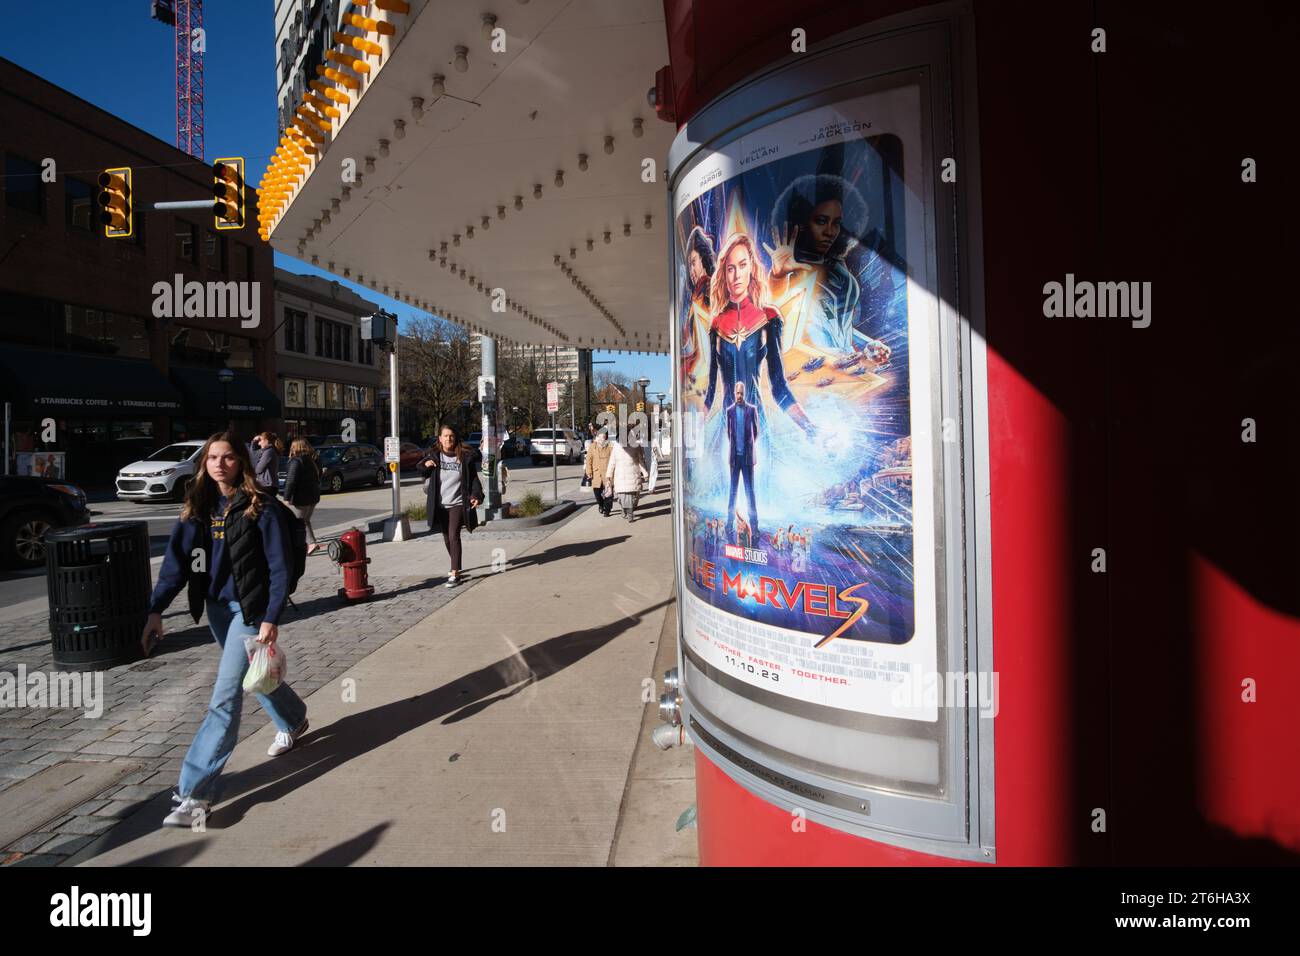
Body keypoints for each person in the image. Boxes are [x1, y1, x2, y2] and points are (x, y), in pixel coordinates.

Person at [140, 432, 308, 829]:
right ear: (204, 464)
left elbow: (280, 566)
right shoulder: (196, 507)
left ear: (242, 462)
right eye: (212, 457)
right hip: (217, 609)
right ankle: (294, 718)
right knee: (255, 677)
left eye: (228, 457)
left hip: (249, 610)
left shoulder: (260, 508)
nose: (219, 464)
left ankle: (195, 796)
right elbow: (176, 565)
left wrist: (271, 617)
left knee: (225, 698)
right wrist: (155, 610)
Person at [765, 172, 891, 363]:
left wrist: (867, 344)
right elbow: (775, 313)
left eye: (836, 223)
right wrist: (778, 277)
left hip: (844, 371)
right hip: (814, 372)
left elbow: (838, 323)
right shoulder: (790, 271)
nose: (830, 232)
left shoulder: (836, 267)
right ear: (802, 223)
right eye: (821, 221)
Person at [703, 233, 816, 438]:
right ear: (724, 274)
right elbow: (709, 391)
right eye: (731, 268)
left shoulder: (768, 317)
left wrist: (810, 429)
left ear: (751, 269)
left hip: (757, 430)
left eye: (743, 265)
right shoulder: (717, 325)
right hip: (724, 434)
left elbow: (779, 387)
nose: (737, 274)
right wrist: (692, 432)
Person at [420, 425, 483, 587]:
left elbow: (473, 479)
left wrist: (476, 495)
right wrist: (426, 465)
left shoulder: (464, 457)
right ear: (439, 439)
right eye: (445, 436)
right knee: (447, 537)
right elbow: (420, 469)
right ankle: (457, 566)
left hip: (458, 503)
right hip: (440, 504)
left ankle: (454, 572)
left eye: (451, 436)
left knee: (454, 535)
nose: (448, 439)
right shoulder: (434, 456)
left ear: (456, 439)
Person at [724, 380, 760, 539]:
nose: (739, 395)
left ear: (744, 394)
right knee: (732, 492)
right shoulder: (729, 411)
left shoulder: (752, 410)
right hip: (734, 459)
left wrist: (748, 448)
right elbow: (728, 433)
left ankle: (755, 527)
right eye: (737, 393)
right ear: (734, 393)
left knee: (749, 493)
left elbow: (756, 432)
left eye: (741, 393)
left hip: (747, 459)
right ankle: (728, 524)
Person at [283, 437, 323, 555]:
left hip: (301, 498)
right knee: (305, 521)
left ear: (295, 447)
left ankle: (308, 544)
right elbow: (319, 475)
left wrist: (286, 498)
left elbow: (291, 480)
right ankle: (311, 543)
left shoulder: (296, 461)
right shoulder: (314, 459)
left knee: (297, 522)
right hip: (313, 496)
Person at [605, 436, 649, 522]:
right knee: (622, 498)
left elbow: (640, 460)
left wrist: (645, 473)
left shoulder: (635, 446)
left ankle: (629, 513)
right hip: (622, 476)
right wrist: (608, 475)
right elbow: (612, 462)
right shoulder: (616, 447)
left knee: (630, 498)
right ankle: (626, 510)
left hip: (631, 475)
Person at [584, 428, 614, 516]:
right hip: (596, 474)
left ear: (606, 438)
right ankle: (601, 505)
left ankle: (607, 510)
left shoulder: (610, 446)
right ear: (597, 437)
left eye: (604, 437)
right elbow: (588, 460)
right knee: (597, 494)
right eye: (600, 437)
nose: (602, 439)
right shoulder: (593, 446)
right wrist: (588, 471)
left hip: (608, 474)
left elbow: (614, 460)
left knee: (608, 493)